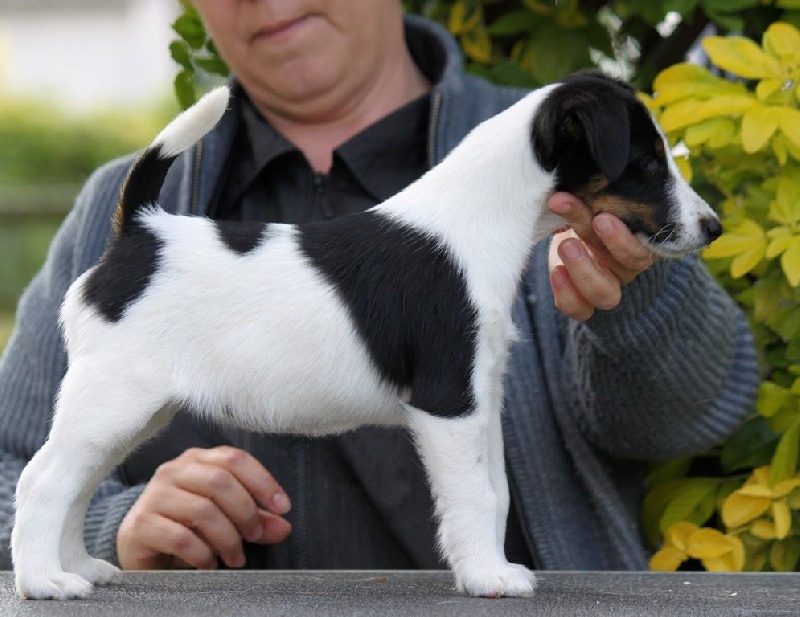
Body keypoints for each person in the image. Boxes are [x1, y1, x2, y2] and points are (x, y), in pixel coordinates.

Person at [0, 0, 758, 573]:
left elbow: (695, 417)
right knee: (95, 428)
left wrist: (636, 285)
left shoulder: (541, 149)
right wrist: (111, 527)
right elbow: (14, 454)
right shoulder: (119, 216)